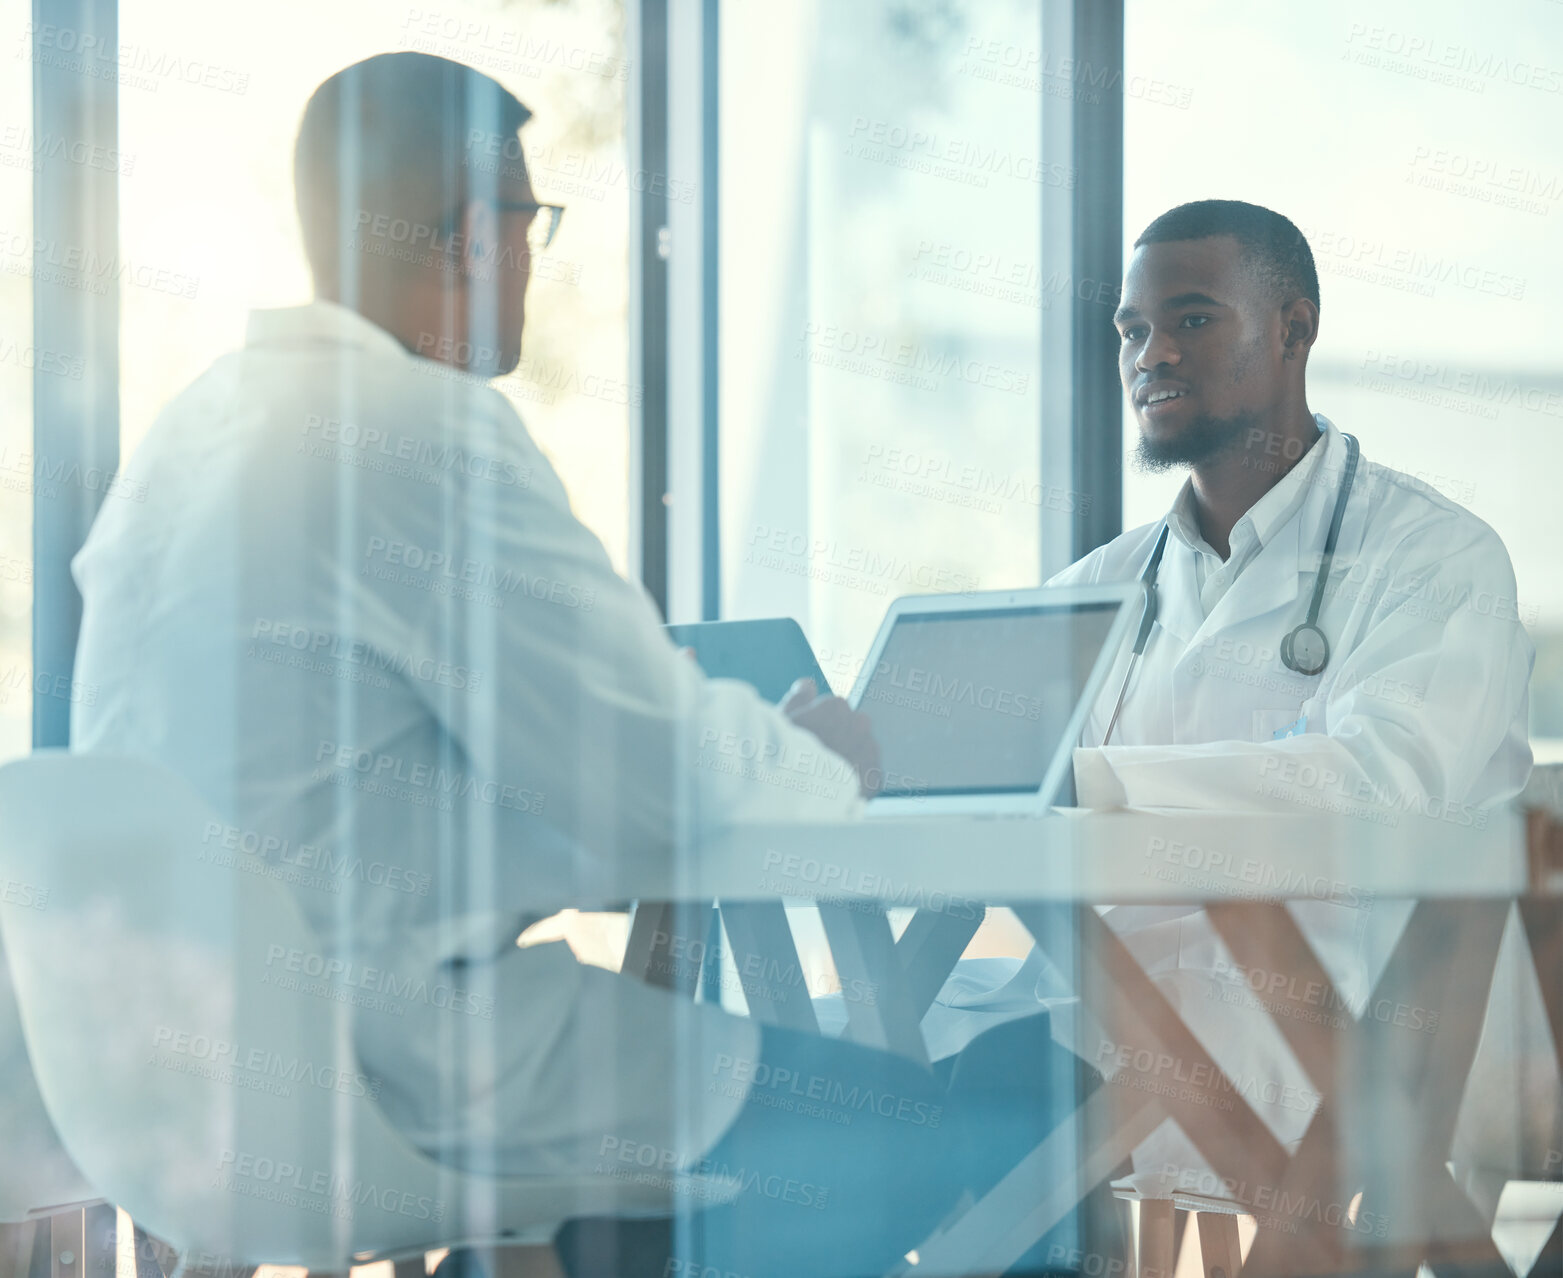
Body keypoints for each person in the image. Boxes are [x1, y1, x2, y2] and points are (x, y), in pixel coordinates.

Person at [69, 52, 1113, 1278]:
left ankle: (568, 1256)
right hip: (372, 1067)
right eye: (529, 223)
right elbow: (650, 777)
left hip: (155, 1085)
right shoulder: (419, 431)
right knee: (992, 1118)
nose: (528, 259)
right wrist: (817, 761)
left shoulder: (189, 440)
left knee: (908, 1102)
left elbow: (370, 779)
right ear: (466, 237)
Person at [1037, 199, 1535, 1201]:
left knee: (969, 1118)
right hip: (1108, 1021)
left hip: (1343, 1036)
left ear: (1295, 328)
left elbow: (1382, 786)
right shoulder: (1098, 585)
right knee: (883, 1061)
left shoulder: (1433, 557)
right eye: (1132, 330)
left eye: (1192, 319)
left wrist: (1098, 783)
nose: (1151, 353)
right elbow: (1006, 779)